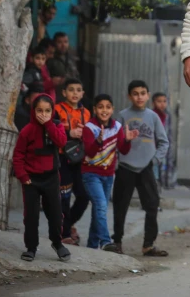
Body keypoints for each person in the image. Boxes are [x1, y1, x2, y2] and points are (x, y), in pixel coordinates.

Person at [107, 80, 170, 257]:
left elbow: (164, 142)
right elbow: (115, 142)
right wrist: (117, 162)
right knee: (120, 206)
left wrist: (155, 160)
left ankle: (148, 245)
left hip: (146, 168)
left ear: (148, 95)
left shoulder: (153, 117)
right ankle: (117, 242)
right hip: (125, 168)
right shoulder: (122, 116)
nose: (139, 97)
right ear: (129, 96)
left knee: (152, 205)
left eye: (143, 93)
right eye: (135, 93)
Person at [12, 94, 70, 263]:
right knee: (31, 215)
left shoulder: (56, 126)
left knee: (55, 213)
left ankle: (57, 243)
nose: (43, 114)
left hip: (51, 178)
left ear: (52, 112)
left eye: (47, 111)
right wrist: (23, 176)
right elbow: (18, 155)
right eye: (39, 110)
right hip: (31, 180)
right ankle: (31, 247)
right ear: (33, 111)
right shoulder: (27, 130)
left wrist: (49, 125)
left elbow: (61, 142)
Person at [81, 94, 137, 249]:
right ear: (94, 109)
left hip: (108, 176)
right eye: (100, 107)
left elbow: (123, 151)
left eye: (107, 107)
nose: (104, 110)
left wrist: (127, 140)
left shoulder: (117, 127)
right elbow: (90, 152)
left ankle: (92, 246)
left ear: (112, 109)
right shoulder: (89, 128)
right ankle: (105, 241)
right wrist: (98, 141)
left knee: (99, 208)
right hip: (91, 174)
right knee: (100, 205)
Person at [54, 78, 90, 245]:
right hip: (62, 158)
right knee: (64, 197)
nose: (75, 93)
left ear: (83, 93)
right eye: (71, 90)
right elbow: (52, 133)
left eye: (78, 90)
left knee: (83, 197)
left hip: (79, 159)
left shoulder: (87, 113)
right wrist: (70, 134)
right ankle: (65, 234)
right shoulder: (57, 110)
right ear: (64, 93)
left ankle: (68, 224)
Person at [151, 93, 177, 190]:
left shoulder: (167, 115)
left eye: (164, 101)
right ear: (153, 103)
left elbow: (169, 131)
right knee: (155, 167)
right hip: (153, 146)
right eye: (159, 101)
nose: (162, 104)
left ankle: (162, 184)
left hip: (163, 145)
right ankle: (155, 186)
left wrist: (169, 145)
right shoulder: (151, 115)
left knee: (164, 166)